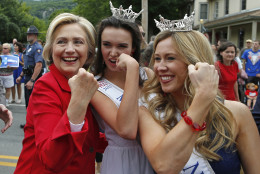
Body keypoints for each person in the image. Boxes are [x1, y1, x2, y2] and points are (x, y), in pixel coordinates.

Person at [138, 28, 260, 173]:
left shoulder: (237, 113)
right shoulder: (148, 111)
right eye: (157, 58)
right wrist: (202, 99)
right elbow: (165, 166)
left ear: (195, 62)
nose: (159, 67)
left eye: (170, 58)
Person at [14, 13, 107, 174]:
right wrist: (79, 100)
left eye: (78, 42)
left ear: (90, 51)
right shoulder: (46, 86)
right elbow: (52, 158)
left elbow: (89, 139)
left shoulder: (86, 83)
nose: (70, 49)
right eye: (61, 42)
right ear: (51, 50)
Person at [90, 2, 154, 174]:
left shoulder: (149, 75)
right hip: (121, 162)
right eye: (107, 44)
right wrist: (133, 70)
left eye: (122, 46)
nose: (113, 52)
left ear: (133, 48)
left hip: (156, 157)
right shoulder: (94, 86)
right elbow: (127, 130)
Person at [16, 25, 43, 128]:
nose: (28, 36)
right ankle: (30, 123)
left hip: (33, 79)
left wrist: (32, 80)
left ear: (35, 35)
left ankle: (36, 124)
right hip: (27, 77)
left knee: (34, 103)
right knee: (28, 102)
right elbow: (27, 65)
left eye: (30, 34)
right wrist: (20, 76)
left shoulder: (37, 48)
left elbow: (39, 65)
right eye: (27, 34)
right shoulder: (28, 47)